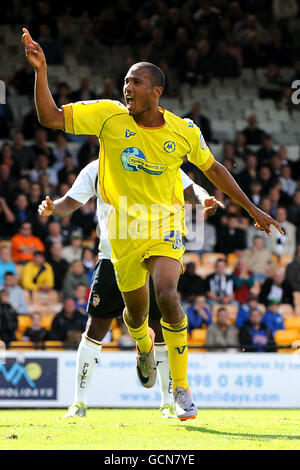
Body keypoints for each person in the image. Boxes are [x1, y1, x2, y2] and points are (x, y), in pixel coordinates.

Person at [23, 27, 283, 421]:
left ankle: (181, 390)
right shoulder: (108, 116)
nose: (127, 87)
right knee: (135, 316)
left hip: (165, 224)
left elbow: (213, 169)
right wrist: (41, 71)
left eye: (136, 82)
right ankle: (143, 346)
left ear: (156, 91)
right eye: (126, 81)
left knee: (167, 296)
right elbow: (50, 118)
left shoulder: (183, 131)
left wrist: (252, 210)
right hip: (122, 234)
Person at [38, 159, 221, 419]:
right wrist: (52, 208)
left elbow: (189, 187)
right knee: (96, 327)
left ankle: (169, 403)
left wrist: (204, 199)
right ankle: (79, 404)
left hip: (153, 252)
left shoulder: (154, 157)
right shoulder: (98, 168)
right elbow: (70, 201)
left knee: (160, 324)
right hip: (112, 256)